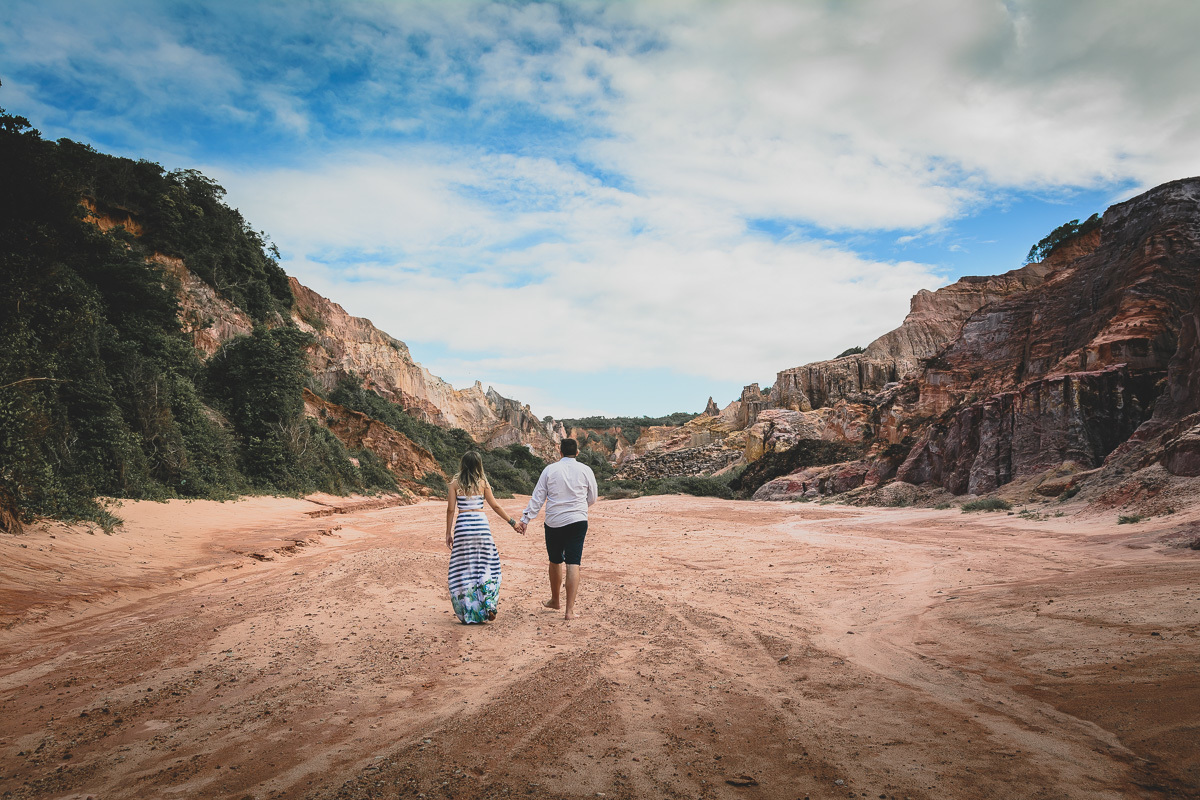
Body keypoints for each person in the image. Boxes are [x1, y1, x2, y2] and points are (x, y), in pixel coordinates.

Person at [516, 439, 597, 620]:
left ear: (559, 452)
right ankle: (569, 611)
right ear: (577, 453)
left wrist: (525, 519)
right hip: (578, 521)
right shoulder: (586, 470)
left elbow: (538, 497)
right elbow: (593, 497)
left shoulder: (550, 470)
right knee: (573, 562)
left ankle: (555, 600)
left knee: (554, 561)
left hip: (554, 522)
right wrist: (578, 509)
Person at [446, 451, 523, 624]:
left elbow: (451, 510)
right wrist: (512, 522)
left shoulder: (455, 483)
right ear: (479, 464)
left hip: (464, 527)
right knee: (487, 565)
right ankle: (488, 604)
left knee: (464, 569)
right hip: (481, 527)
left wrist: (448, 533)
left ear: (462, 463)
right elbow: (495, 505)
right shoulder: (482, 483)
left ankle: (470, 611)